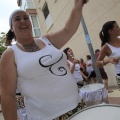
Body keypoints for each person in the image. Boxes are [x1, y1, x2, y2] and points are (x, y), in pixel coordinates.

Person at [0, 0, 88, 120]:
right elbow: (7, 95)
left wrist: (77, 6)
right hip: (47, 117)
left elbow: (68, 30)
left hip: (77, 106)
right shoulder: (10, 54)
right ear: (11, 28)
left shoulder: (47, 40)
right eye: (17, 19)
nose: (23, 21)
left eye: (26, 18)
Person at [96, 21, 120, 90]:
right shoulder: (106, 47)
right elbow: (97, 63)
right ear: (110, 31)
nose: (119, 28)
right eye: (117, 27)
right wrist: (109, 60)